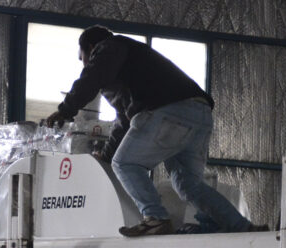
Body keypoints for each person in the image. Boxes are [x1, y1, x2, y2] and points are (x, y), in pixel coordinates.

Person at [45, 25, 254, 236]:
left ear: (90, 48)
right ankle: (241, 226)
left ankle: (155, 218)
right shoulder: (130, 65)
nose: (84, 64)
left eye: (82, 58)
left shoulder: (110, 47)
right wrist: (106, 155)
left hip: (168, 111)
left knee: (125, 163)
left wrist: (65, 110)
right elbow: (124, 120)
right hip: (199, 113)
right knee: (188, 185)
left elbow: (91, 77)